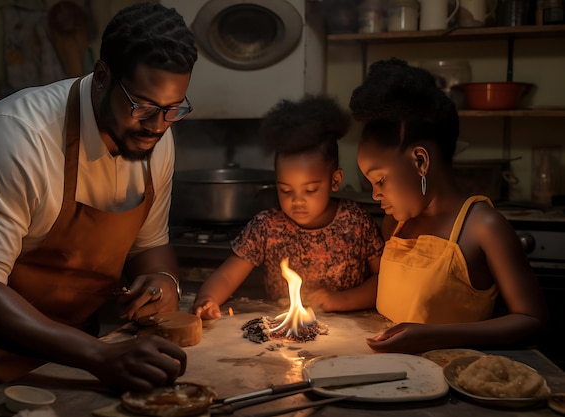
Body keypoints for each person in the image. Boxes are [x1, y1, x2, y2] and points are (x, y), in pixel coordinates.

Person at [0, 2, 197, 407]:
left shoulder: (157, 132)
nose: (157, 126)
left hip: (78, 365)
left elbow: (151, 245)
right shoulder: (15, 137)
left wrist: (164, 281)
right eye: (143, 107)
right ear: (102, 77)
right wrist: (97, 354)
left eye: (172, 110)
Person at [350, 58, 549, 354]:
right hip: (389, 376)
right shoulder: (396, 225)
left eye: (380, 180)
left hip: (453, 381)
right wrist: (334, 299)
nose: (375, 194)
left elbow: (533, 321)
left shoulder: (482, 227)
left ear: (420, 161)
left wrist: (435, 336)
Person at [193, 95, 384, 320]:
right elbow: (226, 278)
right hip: (284, 337)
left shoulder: (356, 222)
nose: (297, 201)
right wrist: (207, 299)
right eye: (285, 190)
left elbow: (384, 281)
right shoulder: (267, 227)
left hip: (350, 335)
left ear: (335, 180)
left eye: (310, 190)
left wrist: (342, 300)